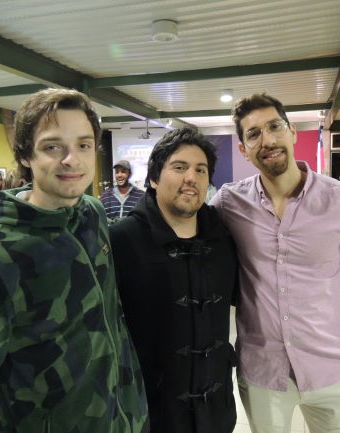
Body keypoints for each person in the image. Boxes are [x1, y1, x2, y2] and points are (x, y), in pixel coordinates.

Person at [0, 88, 148, 433]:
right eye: (52, 147)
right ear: (26, 155)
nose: (71, 159)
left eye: (84, 145)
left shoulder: (91, 215)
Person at [209, 93, 340, 433]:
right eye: (254, 134)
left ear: (292, 132)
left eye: (274, 127)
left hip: (332, 368)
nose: (267, 140)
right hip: (263, 372)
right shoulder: (230, 203)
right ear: (244, 149)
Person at [110, 127, 239, 433]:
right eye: (179, 167)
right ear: (154, 178)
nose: (191, 177)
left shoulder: (222, 237)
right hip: (150, 414)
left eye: (200, 170)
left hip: (215, 409)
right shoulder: (121, 240)